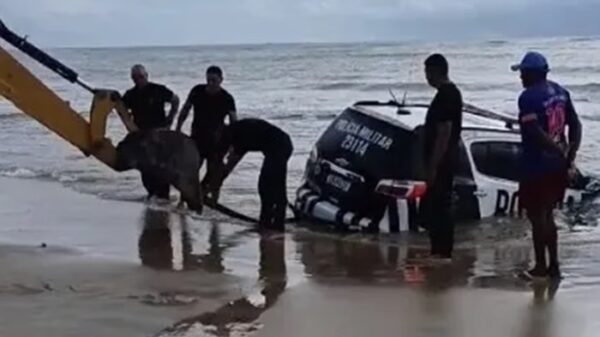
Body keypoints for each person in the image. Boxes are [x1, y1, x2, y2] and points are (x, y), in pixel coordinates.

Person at [511, 51, 582, 280]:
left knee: (536, 216)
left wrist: (554, 149)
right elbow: (576, 124)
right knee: (548, 216)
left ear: (532, 74)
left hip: (536, 164)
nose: (520, 77)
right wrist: (570, 153)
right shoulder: (561, 92)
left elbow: (533, 131)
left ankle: (540, 266)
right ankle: (554, 266)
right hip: (557, 166)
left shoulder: (527, 98)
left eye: (523, 72)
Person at [209, 118, 293, 231]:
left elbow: (232, 162)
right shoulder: (233, 132)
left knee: (269, 185)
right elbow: (225, 160)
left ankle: (273, 223)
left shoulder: (237, 134)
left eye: (215, 133)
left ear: (221, 129)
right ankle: (268, 220)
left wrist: (219, 181)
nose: (215, 137)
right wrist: (217, 181)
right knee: (270, 185)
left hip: (280, 146)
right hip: (277, 146)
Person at [421, 53, 463, 260]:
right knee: (435, 206)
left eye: (427, 72)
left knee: (440, 206)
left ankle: (442, 252)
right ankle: (437, 249)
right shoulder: (445, 95)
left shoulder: (448, 95)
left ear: (436, 71)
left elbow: (444, 132)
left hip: (443, 161)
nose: (426, 77)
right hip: (442, 159)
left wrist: (433, 166)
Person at [122, 64, 180, 200]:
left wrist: (170, 120)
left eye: (141, 76)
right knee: (145, 168)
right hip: (141, 135)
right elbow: (122, 111)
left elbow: (175, 100)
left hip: (159, 134)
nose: (138, 80)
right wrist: (130, 127)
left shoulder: (158, 90)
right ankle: (152, 196)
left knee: (161, 167)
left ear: (146, 76)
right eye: (135, 77)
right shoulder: (130, 95)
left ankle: (164, 197)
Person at [175, 65, 237, 187]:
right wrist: (178, 128)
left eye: (214, 80)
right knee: (191, 171)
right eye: (208, 80)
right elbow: (185, 110)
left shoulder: (227, 98)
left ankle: (206, 197)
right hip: (197, 137)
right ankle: (183, 201)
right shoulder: (197, 91)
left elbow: (234, 122)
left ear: (221, 80)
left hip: (217, 141)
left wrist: (233, 145)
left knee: (213, 174)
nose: (210, 83)